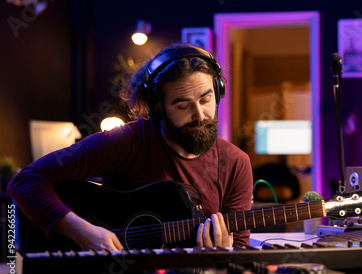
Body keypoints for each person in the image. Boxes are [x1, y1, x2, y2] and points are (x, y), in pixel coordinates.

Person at [7, 43, 253, 251]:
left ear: (217, 92)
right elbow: (25, 181)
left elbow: (240, 249)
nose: (199, 115)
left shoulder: (236, 163)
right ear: (158, 108)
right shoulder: (125, 142)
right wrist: (83, 232)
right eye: (182, 105)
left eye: (205, 99)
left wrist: (220, 255)